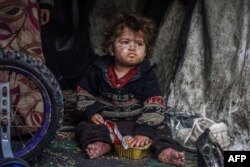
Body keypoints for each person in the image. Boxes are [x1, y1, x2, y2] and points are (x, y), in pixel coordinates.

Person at [75, 10, 185, 166]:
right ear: (111, 48)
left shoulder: (146, 74)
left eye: (139, 44)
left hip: (136, 122)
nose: (133, 48)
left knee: (162, 129)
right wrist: (91, 112)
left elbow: (154, 105)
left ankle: (166, 152)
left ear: (146, 51)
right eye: (125, 42)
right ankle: (101, 144)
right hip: (107, 123)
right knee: (84, 127)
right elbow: (84, 93)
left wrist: (144, 131)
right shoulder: (98, 69)